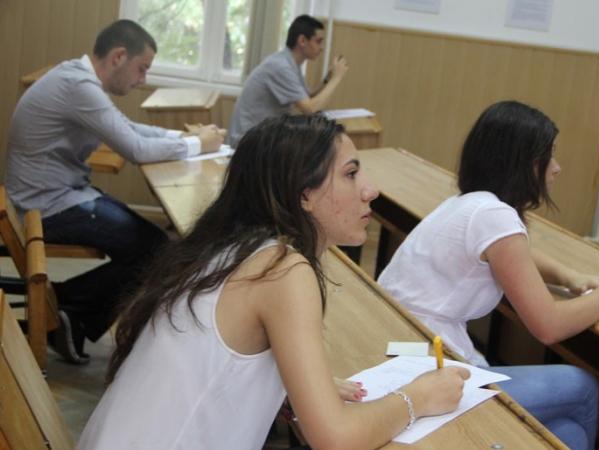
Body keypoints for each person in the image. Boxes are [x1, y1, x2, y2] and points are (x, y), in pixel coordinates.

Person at [77, 114, 469, 450]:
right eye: (350, 174)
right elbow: (335, 438)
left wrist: (290, 385)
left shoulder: (228, 247)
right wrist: (418, 396)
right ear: (303, 196)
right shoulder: (281, 269)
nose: (370, 190)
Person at [378, 101, 599, 450]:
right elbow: (549, 327)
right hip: (430, 366)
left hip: (405, 344)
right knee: (581, 386)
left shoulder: (470, 203)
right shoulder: (494, 215)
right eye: (549, 156)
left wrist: (569, 276)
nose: (557, 168)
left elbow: (513, 253)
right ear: (522, 162)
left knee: (568, 434)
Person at [5, 19, 225, 364]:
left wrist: (185, 138)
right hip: (43, 207)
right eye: (142, 68)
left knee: (154, 245)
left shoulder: (79, 80)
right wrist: (199, 144)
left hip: (58, 195)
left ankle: (64, 312)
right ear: (119, 56)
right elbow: (135, 149)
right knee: (157, 251)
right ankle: (65, 313)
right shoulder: (78, 86)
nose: (143, 80)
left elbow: (128, 128)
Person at [228, 14, 349, 146]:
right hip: (247, 141)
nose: (322, 48)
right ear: (302, 41)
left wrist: (328, 78)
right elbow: (310, 109)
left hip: (262, 136)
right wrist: (337, 78)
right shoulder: (281, 66)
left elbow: (308, 96)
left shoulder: (290, 63)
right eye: (318, 41)